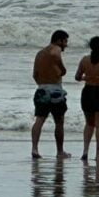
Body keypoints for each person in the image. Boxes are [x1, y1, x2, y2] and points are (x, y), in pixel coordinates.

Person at [32, 29, 71, 159]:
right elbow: (55, 53)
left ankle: (35, 149)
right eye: (65, 41)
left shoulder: (39, 53)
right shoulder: (56, 48)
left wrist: (41, 84)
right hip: (55, 90)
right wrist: (63, 68)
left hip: (41, 89)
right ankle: (60, 151)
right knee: (59, 122)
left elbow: (35, 75)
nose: (66, 45)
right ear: (59, 40)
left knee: (39, 120)